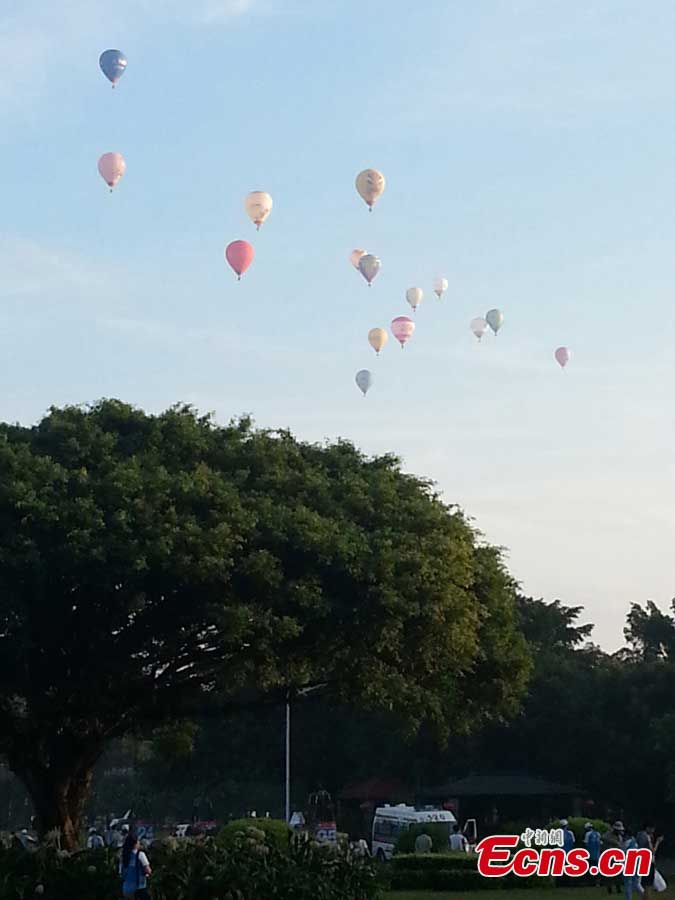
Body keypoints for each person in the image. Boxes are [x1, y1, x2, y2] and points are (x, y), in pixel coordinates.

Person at [120, 832, 151, 900]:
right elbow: (148, 870)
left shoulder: (123, 856)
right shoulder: (140, 854)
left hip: (126, 888)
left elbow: (121, 873)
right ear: (135, 843)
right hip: (138, 888)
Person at [636, 823, 662, 900]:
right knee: (648, 885)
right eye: (652, 828)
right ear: (647, 828)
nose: (653, 831)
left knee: (645, 884)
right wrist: (658, 842)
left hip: (643, 860)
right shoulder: (646, 836)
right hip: (647, 861)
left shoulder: (639, 835)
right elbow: (652, 851)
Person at [602, 822, 625, 895]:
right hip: (609, 856)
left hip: (617, 855)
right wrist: (614, 842)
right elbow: (603, 838)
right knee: (610, 875)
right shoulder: (608, 834)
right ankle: (610, 889)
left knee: (618, 874)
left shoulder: (619, 836)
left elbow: (621, 844)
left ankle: (618, 888)